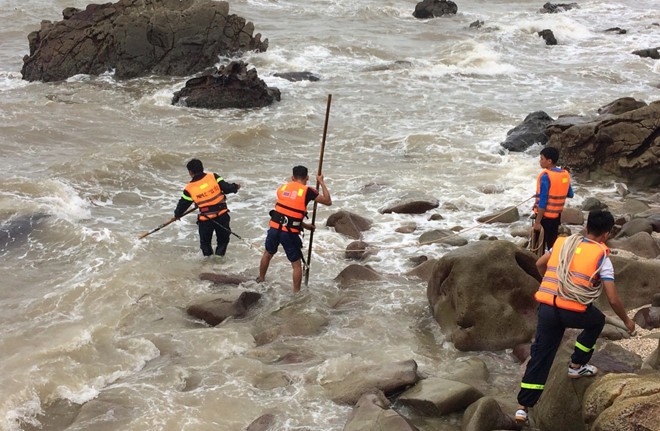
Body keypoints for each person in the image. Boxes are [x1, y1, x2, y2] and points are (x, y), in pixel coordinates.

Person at [515, 210, 635, 424]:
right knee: (597, 321)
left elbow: (539, 264)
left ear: (587, 227)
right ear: (606, 234)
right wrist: (627, 321)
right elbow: (613, 299)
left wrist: (554, 284)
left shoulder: (562, 243)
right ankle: (577, 366)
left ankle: (522, 407)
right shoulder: (602, 257)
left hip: (548, 308)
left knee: (541, 355)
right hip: (573, 312)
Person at [256, 165, 332, 293]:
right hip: (289, 233)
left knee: (267, 254)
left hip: (274, 228)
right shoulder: (308, 191)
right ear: (307, 178)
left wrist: (306, 226)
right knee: (296, 265)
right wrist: (321, 182)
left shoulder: (282, 188)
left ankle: (261, 279)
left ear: (292, 177)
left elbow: (287, 214)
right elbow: (328, 201)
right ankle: (296, 294)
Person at [173, 159, 241, 257]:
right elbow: (226, 188)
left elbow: (183, 205)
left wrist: (177, 215)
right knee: (223, 241)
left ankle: (209, 264)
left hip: (206, 219)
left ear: (190, 172)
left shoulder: (189, 188)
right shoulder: (213, 176)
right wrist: (235, 187)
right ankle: (218, 259)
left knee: (205, 244)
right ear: (202, 168)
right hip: (222, 216)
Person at [532, 146, 574, 252]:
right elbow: (570, 194)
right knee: (552, 245)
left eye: (542, 158)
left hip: (544, 217)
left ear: (549, 161)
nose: (540, 161)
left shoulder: (546, 176)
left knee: (538, 246)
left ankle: (537, 266)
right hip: (556, 217)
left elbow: (543, 202)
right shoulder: (564, 174)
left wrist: (537, 222)